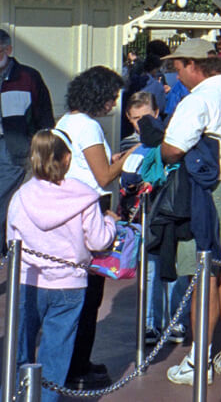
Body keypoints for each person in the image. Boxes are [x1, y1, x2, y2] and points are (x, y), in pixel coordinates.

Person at [160, 38, 221, 385]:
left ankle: (200, 357)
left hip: (208, 193)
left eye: (178, 66)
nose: (176, 74)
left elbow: (172, 149)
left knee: (203, 276)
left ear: (193, 64)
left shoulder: (198, 100)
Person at [7, 130, 116, 402]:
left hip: (27, 280)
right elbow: (100, 240)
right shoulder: (85, 195)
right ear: (67, 158)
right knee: (55, 355)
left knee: (18, 351)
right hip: (70, 282)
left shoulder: (21, 196)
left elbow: (11, 241)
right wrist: (111, 222)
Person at [55, 65, 128, 389]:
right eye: (111, 97)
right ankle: (77, 366)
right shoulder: (88, 126)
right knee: (90, 293)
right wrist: (131, 156)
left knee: (77, 290)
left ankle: (75, 361)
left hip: (68, 207)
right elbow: (104, 176)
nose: (113, 104)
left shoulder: (66, 121)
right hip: (91, 208)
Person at [123, 92, 187, 346]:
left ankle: (175, 320)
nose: (141, 123)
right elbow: (126, 180)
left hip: (168, 212)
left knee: (173, 268)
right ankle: (150, 321)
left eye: (146, 117)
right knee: (150, 270)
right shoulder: (129, 146)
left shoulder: (169, 141)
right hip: (145, 216)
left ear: (157, 113)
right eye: (136, 118)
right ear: (129, 118)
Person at [0, 28, 56, 247]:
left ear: (8, 50)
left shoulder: (28, 77)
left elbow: (44, 116)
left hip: (15, 148)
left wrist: (39, 146)